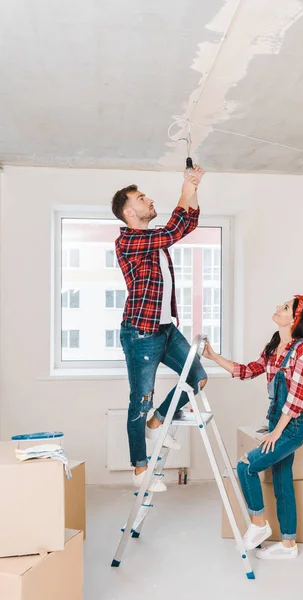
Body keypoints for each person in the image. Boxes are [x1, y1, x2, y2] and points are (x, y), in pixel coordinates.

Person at [112, 166, 208, 492]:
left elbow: (187, 223)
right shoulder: (129, 241)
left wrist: (192, 188)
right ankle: (140, 469)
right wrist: (185, 187)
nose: (149, 200)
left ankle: (158, 421)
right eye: (142, 198)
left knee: (197, 377)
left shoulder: (153, 241)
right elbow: (173, 232)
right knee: (140, 400)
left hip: (165, 329)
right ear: (129, 212)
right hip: (141, 333)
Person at [203, 295, 303, 560]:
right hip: (279, 423)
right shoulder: (273, 348)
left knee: (246, 466)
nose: (278, 307)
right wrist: (213, 356)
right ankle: (288, 546)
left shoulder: (302, 352)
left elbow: (297, 396)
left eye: (285, 307)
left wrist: (277, 433)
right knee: (282, 480)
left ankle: (258, 523)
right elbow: (246, 371)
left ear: (295, 319)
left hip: (294, 426)